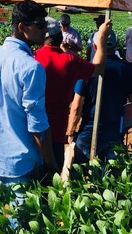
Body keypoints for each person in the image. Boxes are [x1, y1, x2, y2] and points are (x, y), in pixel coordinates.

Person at [0, 0, 58, 227]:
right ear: (22, 27)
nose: (46, 30)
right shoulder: (31, 67)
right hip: (21, 164)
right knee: (22, 232)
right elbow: (38, 126)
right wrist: (51, 165)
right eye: (40, 25)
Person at [34, 16, 112, 167]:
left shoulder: (32, 56)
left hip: (32, 131)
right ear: (60, 37)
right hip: (56, 130)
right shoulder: (70, 61)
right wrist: (101, 38)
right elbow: (99, 67)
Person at [74, 31, 132, 162]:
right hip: (115, 125)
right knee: (110, 172)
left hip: (90, 125)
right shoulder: (127, 69)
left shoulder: (88, 69)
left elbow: (77, 105)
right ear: (115, 45)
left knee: (79, 170)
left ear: (95, 46)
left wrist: (71, 131)